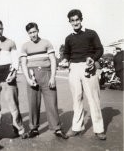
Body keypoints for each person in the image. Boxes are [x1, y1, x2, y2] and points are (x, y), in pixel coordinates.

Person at [61, 9, 106, 140]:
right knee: (76, 99)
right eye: (72, 20)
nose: (75, 22)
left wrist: (93, 58)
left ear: (81, 19)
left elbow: (100, 49)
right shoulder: (68, 38)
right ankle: (76, 127)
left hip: (88, 66)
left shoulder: (91, 33)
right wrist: (65, 59)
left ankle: (99, 129)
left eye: (77, 19)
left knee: (93, 99)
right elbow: (67, 53)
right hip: (74, 68)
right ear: (69, 22)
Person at [20, 22, 68, 139]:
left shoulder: (46, 43)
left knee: (52, 102)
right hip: (32, 75)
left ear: (38, 30)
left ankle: (56, 128)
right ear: (28, 33)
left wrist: (52, 77)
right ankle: (33, 129)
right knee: (33, 103)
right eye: (30, 33)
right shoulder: (25, 46)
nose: (33, 35)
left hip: (46, 74)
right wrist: (28, 79)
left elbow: (53, 60)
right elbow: (23, 64)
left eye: (34, 31)